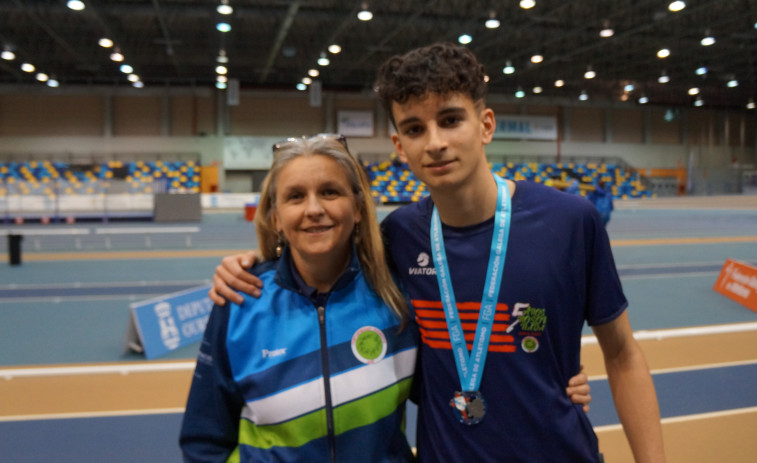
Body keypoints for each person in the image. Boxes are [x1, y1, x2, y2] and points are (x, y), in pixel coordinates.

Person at [211, 42, 662, 462]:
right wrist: (252, 266)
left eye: (450, 120)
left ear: (485, 125)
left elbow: (622, 356)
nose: (434, 142)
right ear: (399, 147)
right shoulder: (397, 236)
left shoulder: (570, 221)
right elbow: (319, 267)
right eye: (414, 128)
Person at [180, 135, 419, 462]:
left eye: (330, 192)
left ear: (359, 208)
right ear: (276, 217)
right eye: (295, 196)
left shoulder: (398, 296)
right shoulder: (240, 302)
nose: (314, 209)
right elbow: (204, 442)